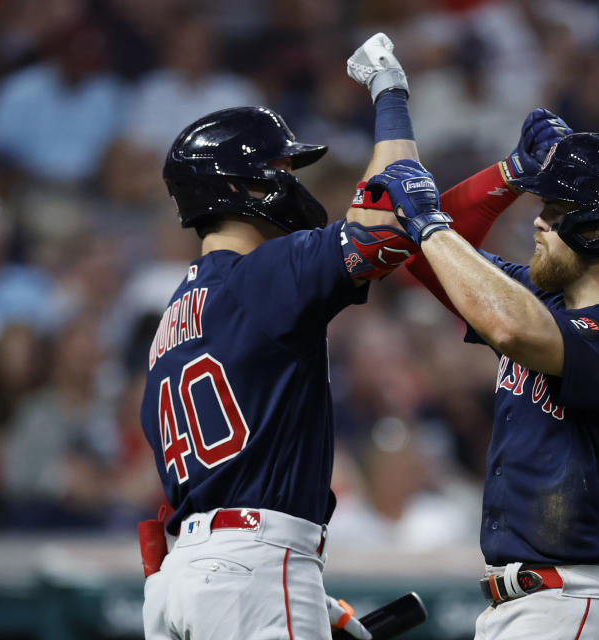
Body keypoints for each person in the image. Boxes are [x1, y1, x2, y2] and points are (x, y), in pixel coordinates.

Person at [357, 106, 599, 638]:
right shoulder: (543, 301)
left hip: (580, 600)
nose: (537, 220)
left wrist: (429, 221)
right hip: (546, 604)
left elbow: (509, 325)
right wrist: (508, 174)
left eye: (554, 209)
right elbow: (427, 259)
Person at [139, 33, 421, 640]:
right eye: (283, 169)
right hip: (255, 570)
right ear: (242, 187)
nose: (293, 182)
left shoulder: (173, 319)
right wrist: (390, 93)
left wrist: (309, 599)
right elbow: (392, 220)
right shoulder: (258, 276)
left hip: (184, 579)